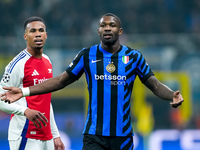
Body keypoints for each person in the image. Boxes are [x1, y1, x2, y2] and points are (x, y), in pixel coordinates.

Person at [0, 13, 183, 150]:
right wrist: (24, 92)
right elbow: (61, 81)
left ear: (119, 31)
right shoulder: (87, 55)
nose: (107, 28)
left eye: (112, 25)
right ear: (98, 31)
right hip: (94, 135)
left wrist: (171, 95)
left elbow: (155, 85)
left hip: (124, 136)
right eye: (103, 26)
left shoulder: (134, 57)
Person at [0, 16, 65, 150]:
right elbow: (1, 100)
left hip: (46, 136)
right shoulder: (17, 64)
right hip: (25, 133)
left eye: (41, 30)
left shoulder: (47, 61)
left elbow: (46, 101)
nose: (37, 34)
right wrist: (25, 111)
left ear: (46, 35)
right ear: (25, 36)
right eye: (32, 31)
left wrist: (55, 134)